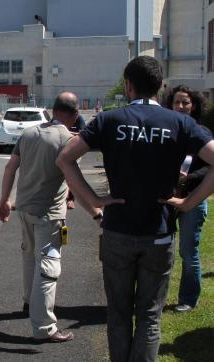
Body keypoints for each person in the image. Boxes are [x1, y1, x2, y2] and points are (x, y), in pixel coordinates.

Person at [56, 56, 214, 362]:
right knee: (150, 316)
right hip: (159, 232)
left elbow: (64, 159)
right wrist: (188, 203)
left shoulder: (109, 120)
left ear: (128, 85)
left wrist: (93, 200)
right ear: (160, 87)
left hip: (118, 231)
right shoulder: (181, 123)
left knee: (117, 314)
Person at [0, 92, 100, 343]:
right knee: (48, 267)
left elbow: (10, 168)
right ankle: (44, 326)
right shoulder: (68, 139)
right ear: (75, 115)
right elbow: (75, 181)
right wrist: (96, 211)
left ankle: (28, 301)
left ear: (53, 111)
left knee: (29, 258)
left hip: (24, 209)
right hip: (49, 213)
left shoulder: (30, 133)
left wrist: (4, 202)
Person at [164, 85, 210, 313]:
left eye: (185, 103)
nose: (180, 107)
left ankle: (188, 299)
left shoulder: (200, 132)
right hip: (169, 199)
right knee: (164, 249)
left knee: (188, 251)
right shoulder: (168, 130)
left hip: (194, 199)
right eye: (176, 102)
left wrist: (188, 179)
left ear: (194, 106)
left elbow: (210, 167)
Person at [65, 114, 87, 209]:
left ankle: (70, 199)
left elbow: (83, 134)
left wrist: (66, 133)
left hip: (74, 150)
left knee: (71, 174)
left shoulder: (79, 119)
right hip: (59, 148)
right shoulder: (58, 118)